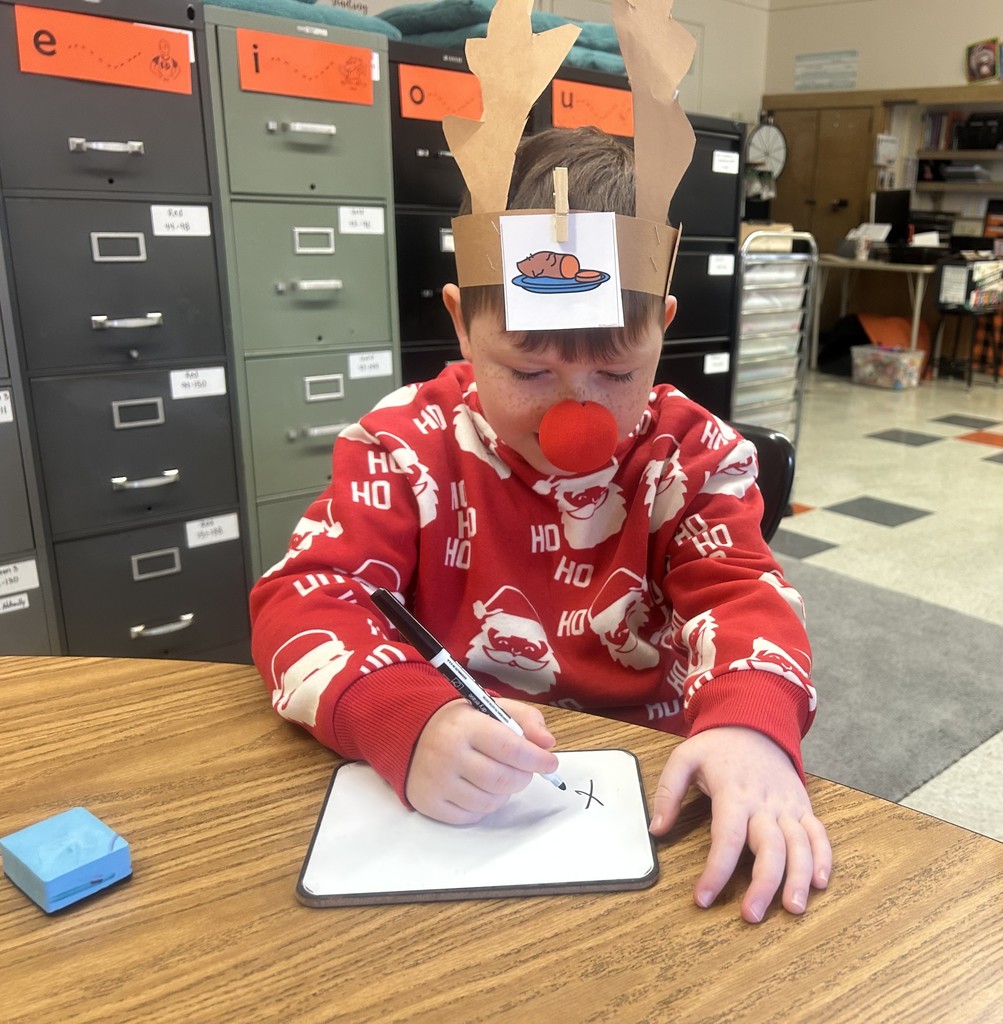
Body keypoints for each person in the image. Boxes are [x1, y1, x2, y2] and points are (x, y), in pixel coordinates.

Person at [250, 126, 831, 925]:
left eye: (617, 371)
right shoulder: (401, 445)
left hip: (643, 783)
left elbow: (741, 599)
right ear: (460, 324)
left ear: (662, 326)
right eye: (527, 371)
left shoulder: (693, 457)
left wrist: (750, 725)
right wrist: (404, 716)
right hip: (464, 782)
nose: (575, 414)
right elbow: (307, 597)